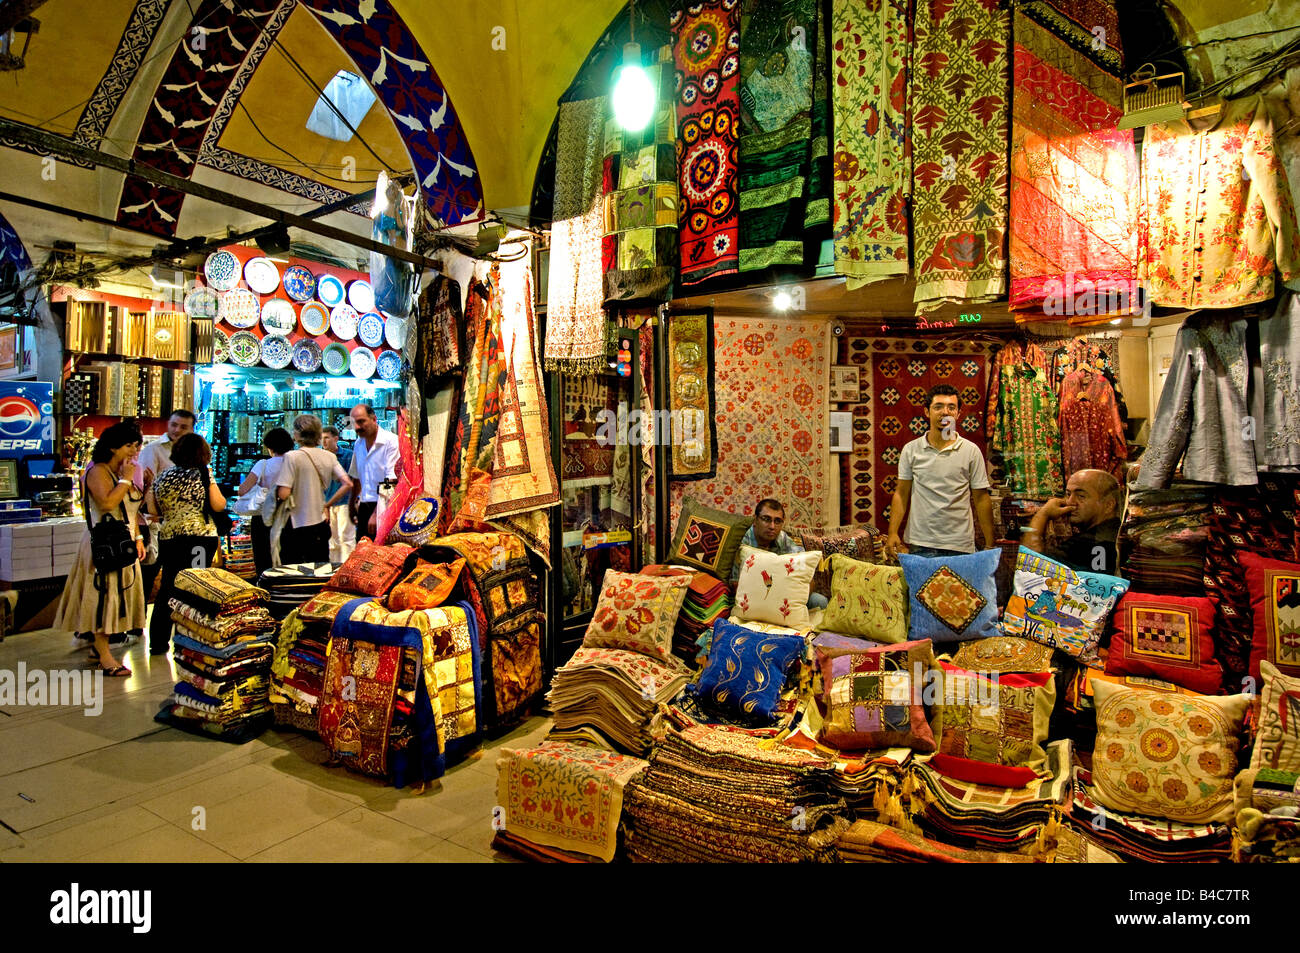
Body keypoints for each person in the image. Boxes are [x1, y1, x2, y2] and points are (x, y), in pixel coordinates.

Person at [54, 421, 147, 676]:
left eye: (136, 446)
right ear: (113, 447)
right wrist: (127, 481)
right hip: (104, 545)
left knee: (117, 598)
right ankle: (105, 655)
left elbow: (130, 511)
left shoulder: (119, 473)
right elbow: (107, 504)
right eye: (128, 445)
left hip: (123, 543)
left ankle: (100, 648)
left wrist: (138, 539)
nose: (133, 451)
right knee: (103, 597)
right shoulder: (98, 471)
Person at [886, 384, 996, 559]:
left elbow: (981, 498)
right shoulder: (911, 449)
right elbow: (901, 493)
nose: (945, 412)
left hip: (960, 544)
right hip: (921, 543)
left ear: (958, 414)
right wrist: (893, 533)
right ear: (927, 412)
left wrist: (990, 543)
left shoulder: (971, 451)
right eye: (938, 407)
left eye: (951, 407)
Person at [144, 433, 225, 655]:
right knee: (196, 586)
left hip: (169, 537)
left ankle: (158, 641)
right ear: (203, 453)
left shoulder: (164, 476)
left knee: (169, 586)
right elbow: (218, 505)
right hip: (199, 537)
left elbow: (153, 510)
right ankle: (192, 637)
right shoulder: (203, 473)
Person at [134, 409, 196, 606]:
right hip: (155, 523)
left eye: (183, 427)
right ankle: (137, 622)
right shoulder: (153, 450)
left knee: (175, 577)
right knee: (149, 573)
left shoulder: (194, 452)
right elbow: (146, 487)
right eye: (174, 425)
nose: (177, 430)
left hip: (181, 526)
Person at [276, 415, 353, 565]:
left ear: (297, 434)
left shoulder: (292, 457)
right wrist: (328, 503)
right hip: (320, 522)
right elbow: (347, 483)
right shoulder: (328, 457)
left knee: (295, 568)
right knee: (320, 566)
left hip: (296, 523)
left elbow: (283, 493)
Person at [729, 498, 828, 610]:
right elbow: (735, 585)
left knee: (820, 601)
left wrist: (789, 599)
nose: (772, 526)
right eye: (766, 519)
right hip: (751, 596)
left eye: (777, 521)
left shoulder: (783, 539)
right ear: (755, 520)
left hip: (783, 595)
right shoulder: (743, 541)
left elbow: (808, 579)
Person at [1022, 468, 1122, 574]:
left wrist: (1043, 514)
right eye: (1068, 494)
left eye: (1081, 496)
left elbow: (1029, 566)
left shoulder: (1090, 542)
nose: (1070, 502)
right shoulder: (1116, 531)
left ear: (1108, 505)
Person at [235, 428, 294, 576]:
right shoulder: (294, 464)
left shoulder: (263, 464)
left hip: (263, 517)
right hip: (289, 517)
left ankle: (265, 592)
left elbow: (242, 490)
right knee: (288, 559)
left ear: (269, 447)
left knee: (263, 560)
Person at [347, 403, 398, 542]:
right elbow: (356, 476)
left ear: (374, 419)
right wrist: (351, 505)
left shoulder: (390, 441)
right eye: (354, 423)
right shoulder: (358, 444)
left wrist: (377, 513)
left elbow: (390, 479)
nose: (357, 427)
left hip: (384, 504)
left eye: (361, 421)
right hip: (364, 505)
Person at [322, 426, 356, 563]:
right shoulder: (321, 457)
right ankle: (334, 570)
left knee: (346, 538)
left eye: (326, 438)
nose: (323, 442)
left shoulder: (348, 456)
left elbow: (353, 481)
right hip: (327, 504)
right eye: (322, 438)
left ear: (336, 439)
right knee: (332, 541)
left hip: (345, 503)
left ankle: (347, 569)